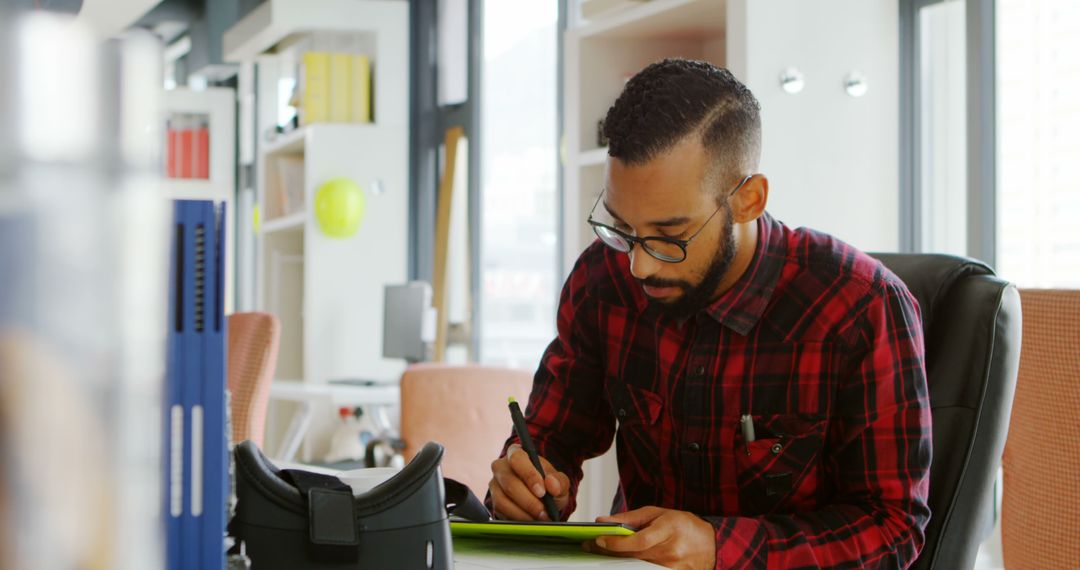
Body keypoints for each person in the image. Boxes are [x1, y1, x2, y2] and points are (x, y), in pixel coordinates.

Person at [487, 59, 931, 569]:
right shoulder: (602, 278)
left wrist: (720, 550)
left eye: (670, 237)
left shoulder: (861, 307)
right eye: (623, 227)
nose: (639, 264)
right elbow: (552, 436)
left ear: (748, 199)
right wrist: (527, 479)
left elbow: (893, 529)